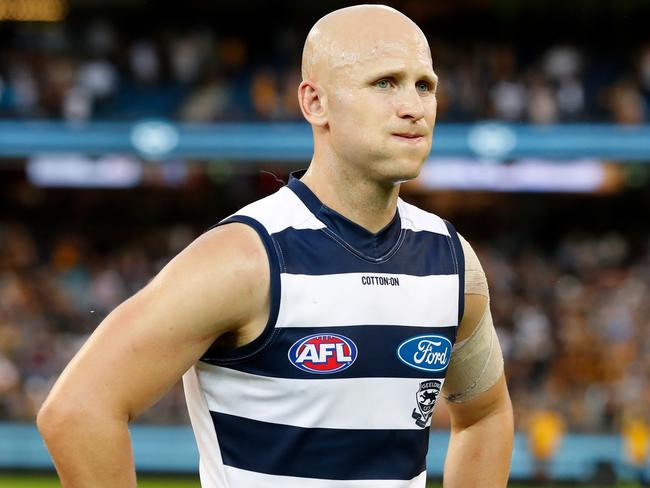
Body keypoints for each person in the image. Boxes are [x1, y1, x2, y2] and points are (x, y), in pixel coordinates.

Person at [37, 5, 513, 487]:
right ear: (315, 103)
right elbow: (78, 410)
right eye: (385, 82)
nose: (413, 105)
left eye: (424, 85)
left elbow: (485, 415)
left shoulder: (453, 262)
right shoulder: (244, 259)